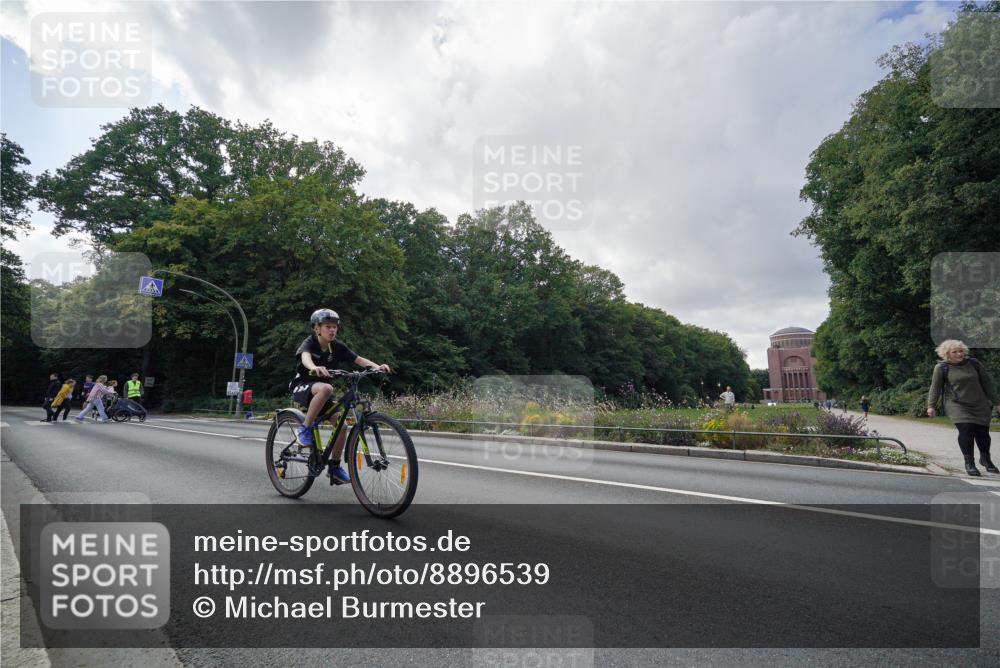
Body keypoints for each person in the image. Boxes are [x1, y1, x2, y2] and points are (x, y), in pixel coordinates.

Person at [290, 309, 391, 485]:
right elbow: (305, 358)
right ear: (317, 328)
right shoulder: (310, 343)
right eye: (328, 326)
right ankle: (304, 429)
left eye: (334, 327)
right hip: (303, 386)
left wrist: (377, 367)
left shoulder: (337, 346)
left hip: (321, 394)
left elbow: (359, 360)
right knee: (327, 388)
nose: (332, 330)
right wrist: (313, 368)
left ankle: (334, 467)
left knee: (342, 426)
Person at [927, 340, 1000, 476]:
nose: (959, 354)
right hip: (956, 404)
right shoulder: (942, 368)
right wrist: (931, 406)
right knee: (966, 429)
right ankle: (969, 463)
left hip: (979, 403)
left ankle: (986, 459)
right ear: (947, 354)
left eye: (960, 351)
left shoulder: (974, 363)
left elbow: (987, 383)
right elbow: (935, 387)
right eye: (954, 352)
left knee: (982, 434)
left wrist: (997, 402)